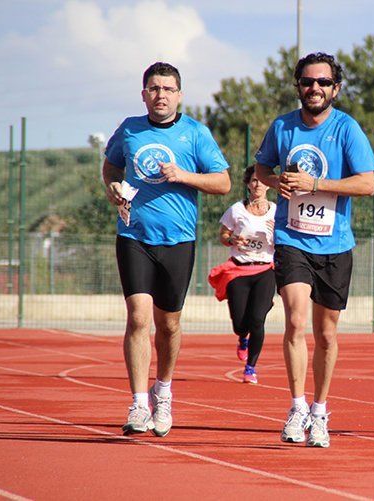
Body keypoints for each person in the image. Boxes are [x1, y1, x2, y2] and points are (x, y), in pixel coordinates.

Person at [255, 52, 374, 448]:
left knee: (326, 333)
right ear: (299, 87)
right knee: (295, 320)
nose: (315, 89)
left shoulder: (347, 129)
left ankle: (320, 411)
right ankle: (296, 407)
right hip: (293, 240)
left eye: (323, 82)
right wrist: (277, 184)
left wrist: (316, 185)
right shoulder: (283, 127)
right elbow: (260, 171)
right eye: (308, 82)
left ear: (335, 89)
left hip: (335, 244)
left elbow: (367, 185)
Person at [102, 62, 231, 437]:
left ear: (179, 95)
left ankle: (164, 390)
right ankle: (139, 403)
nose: (161, 95)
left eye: (168, 89)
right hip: (134, 235)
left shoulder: (195, 133)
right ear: (144, 94)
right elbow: (110, 168)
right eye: (154, 88)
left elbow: (223, 182)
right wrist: (112, 187)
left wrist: (183, 176)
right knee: (139, 317)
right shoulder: (129, 129)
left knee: (168, 324)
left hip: (177, 240)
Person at [208, 165, 276, 384]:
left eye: (262, 181)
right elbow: (223, 235)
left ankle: (251, 368)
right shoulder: (236, 210)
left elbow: (286, 241)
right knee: (240, 323)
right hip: (239, 270)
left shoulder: (276, 211)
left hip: (265, 269)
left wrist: (277, 233)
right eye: (254, 181)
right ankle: (242, 338)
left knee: (258, 320)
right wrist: (233, 240)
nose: (258, 185)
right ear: (248, 184)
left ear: (269, 184)